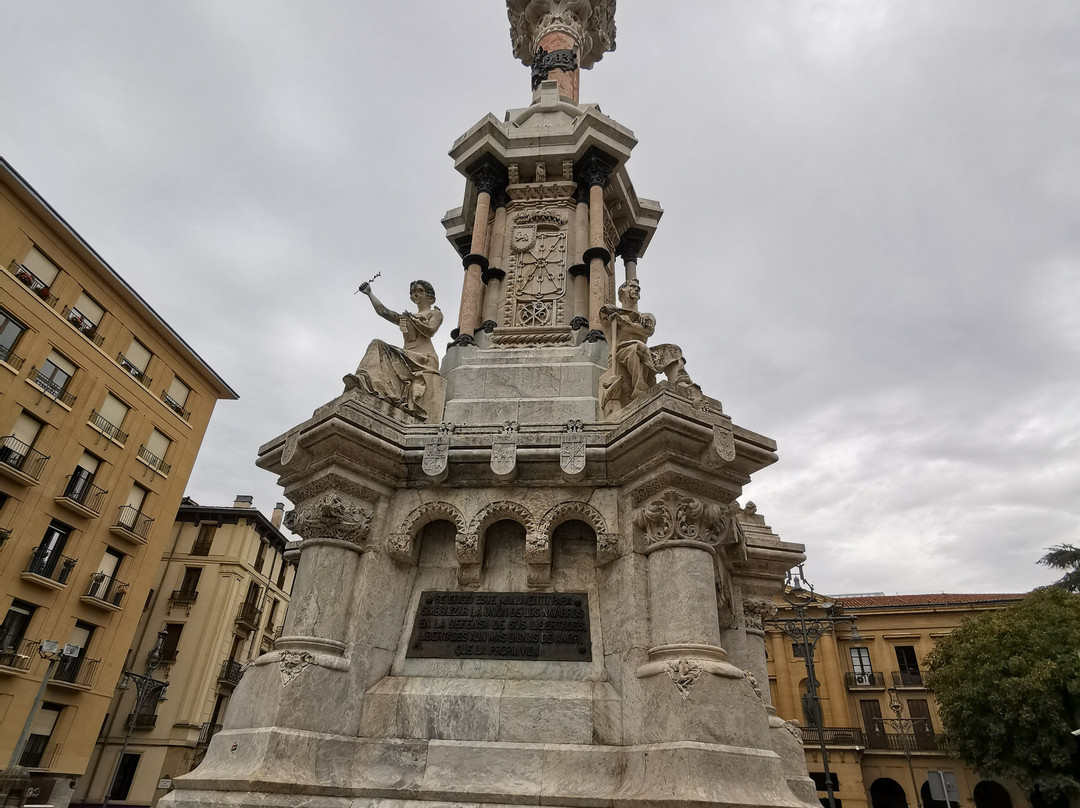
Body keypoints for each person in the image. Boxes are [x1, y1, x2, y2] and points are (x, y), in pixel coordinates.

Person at [344, 279, 443, 419]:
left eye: (420, 291)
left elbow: (430, 331)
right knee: (376, 344)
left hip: (423, 359)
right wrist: (369, 294)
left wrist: (413, 319)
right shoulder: (407, 317)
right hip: (406, 356)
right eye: (413, 292)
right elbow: (383, 312)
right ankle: (363, 381)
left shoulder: (434, 314)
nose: (416, 294)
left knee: (379, 345)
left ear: (430, 297)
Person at [598, 279, 697, 418]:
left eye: (638, 288)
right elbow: (604, 311)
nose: (636, 289)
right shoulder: (612, 314)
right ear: (622, 292)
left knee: (672, 350)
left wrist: (626, 322)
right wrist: (622, 318)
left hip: (644, 350)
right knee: (637, 347)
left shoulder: (646, 316)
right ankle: (640, 389)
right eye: (632, 287)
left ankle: (681, 382)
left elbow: (648, 330)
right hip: (621, 351)